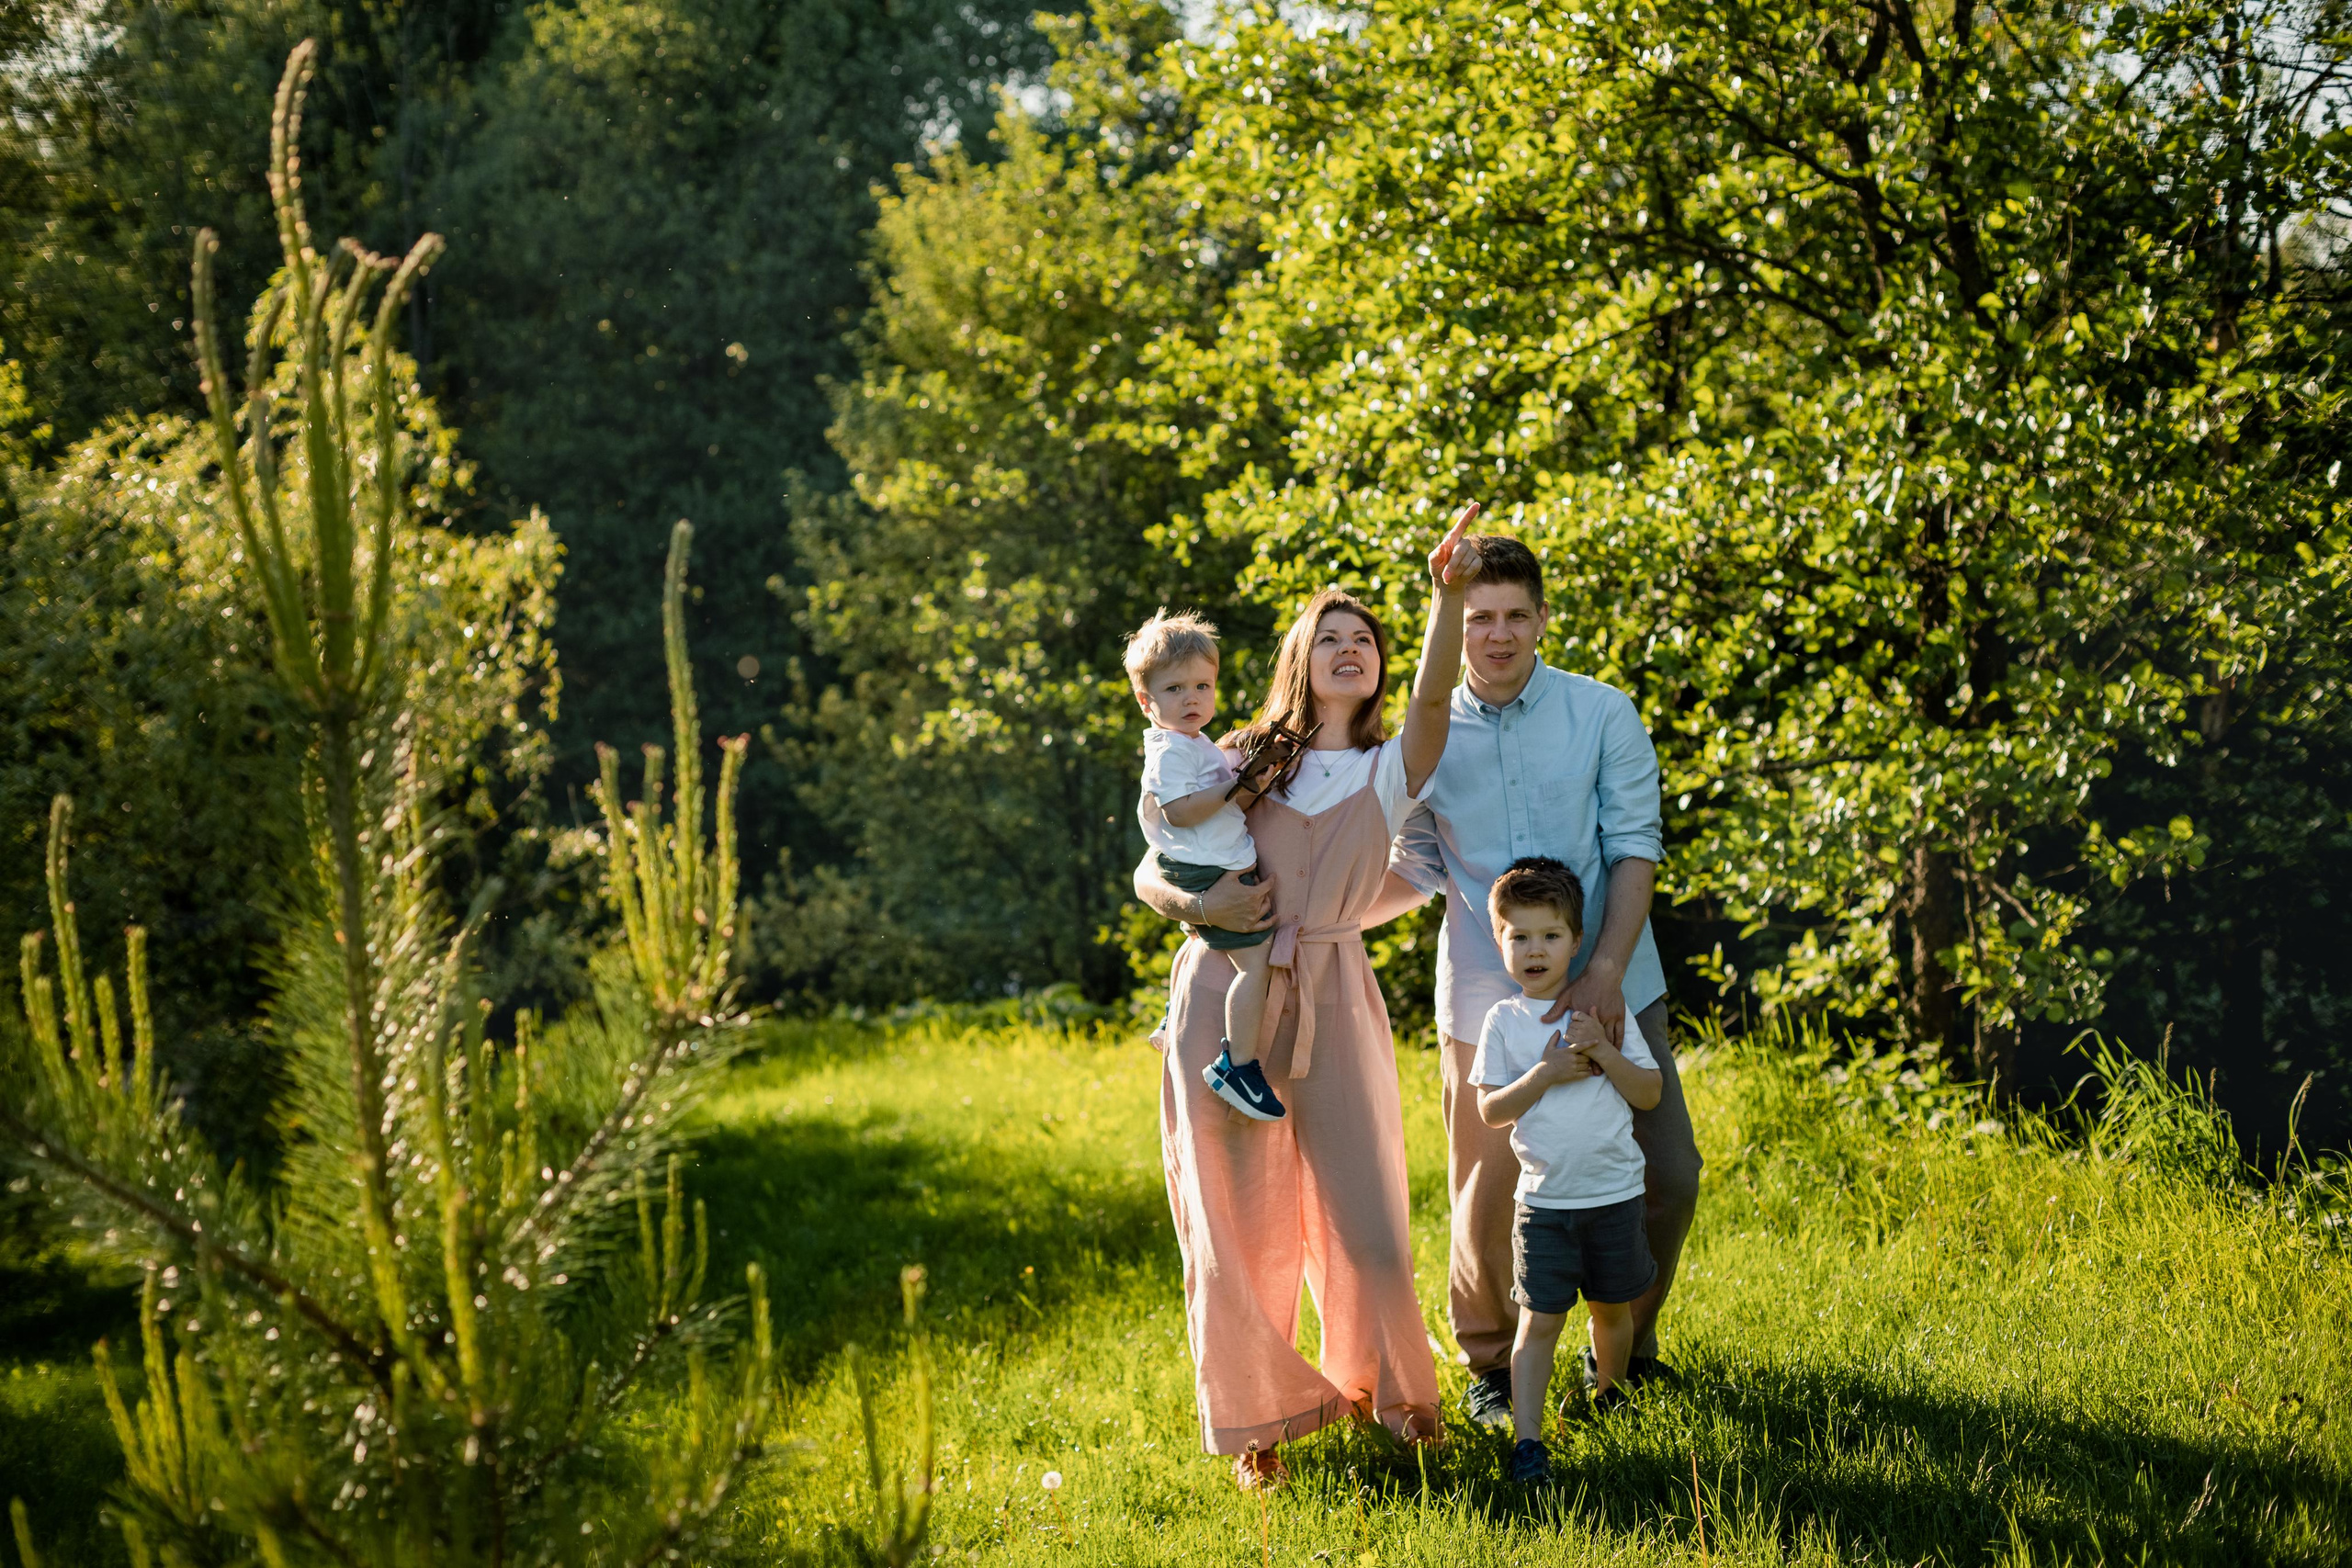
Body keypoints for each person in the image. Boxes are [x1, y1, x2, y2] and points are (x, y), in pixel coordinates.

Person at [1130, 502, 1478, 1492]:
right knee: (1235, 1220)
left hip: (1333, 991)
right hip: (1222, 986)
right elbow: (1153, 861)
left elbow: (1436, 699)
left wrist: (1445, 599)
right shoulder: (1239, 754)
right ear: (1300, 658)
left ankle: (1396, 1403)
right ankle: (1259, 1431)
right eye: (1329, 637)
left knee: (1369, 1220)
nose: (1349, 649)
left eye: (1363, 638)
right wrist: (1191, 902)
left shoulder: (1391, 768)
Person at [1383, 533, 1701, 1429]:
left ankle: (1624, 1350)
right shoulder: (1425, 733)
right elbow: (1407, 854)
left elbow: (1634, 846)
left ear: (1542, 619)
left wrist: (1604, 972)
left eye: (1515, 616)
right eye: (1479, 617)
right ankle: (1490, 1365)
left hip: (1615, 977)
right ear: (1457, 623)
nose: (1498, 635)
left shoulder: (1601, 713)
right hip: (1487, 992)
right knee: (1489, 1193)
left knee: (1668, 1172)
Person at [1469, 857, 1661, 1484]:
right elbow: (1492, 1110)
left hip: (1613, 1195)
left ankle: (1611, 1400)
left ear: (1576, 942)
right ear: (1500, 942)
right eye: (1519, 936)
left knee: (1612, 1312)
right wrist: (1546, 1073)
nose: (1535, 949)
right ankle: (1528, 1443)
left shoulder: (1605, 1011)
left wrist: (1603, 1048)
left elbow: (1649, 1092)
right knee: (1540, 1321)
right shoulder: (1504, 1021)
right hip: (1545, 1204)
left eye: (1550, 935)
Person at [1123, 609, 1292, 1122]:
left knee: (1213, 947)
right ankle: (1237, 1066)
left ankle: (1174, 1011)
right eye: (1175, 689)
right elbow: (1182, 811)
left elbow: (1227, 805)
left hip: (1210, 859)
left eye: (1202, 686)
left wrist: (1255, 777)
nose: (1192, 698)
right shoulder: (1171, 752)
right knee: (1255, 964)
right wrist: (1235, 785)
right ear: (1146, 701)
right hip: (1204, 870)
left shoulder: (1193, 743)